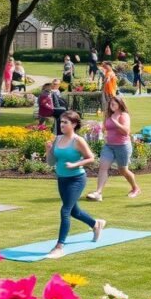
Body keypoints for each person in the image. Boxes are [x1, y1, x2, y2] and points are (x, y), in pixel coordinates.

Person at [44, 110, 106, 259]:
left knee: (65, 211)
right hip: (62, 179)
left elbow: (91, 158)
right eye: (61, 122)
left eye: (65, 122)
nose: (62, 124)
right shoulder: (57, 139)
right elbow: (51, 162)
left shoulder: (78, 140)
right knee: (74, 211)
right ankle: (95, 224)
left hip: (76, 179)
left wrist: (75, 164)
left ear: (74, 124)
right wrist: (48, 151)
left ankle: (59, 246)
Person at [86, 95, 140, 201]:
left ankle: (135, 188)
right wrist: (96, 126)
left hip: (123, 146)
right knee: (103, 167)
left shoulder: (124, 115)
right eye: (110, 104)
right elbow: (105, 128)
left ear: (120, 104)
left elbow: (126, 132)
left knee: (123, 170)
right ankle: (98, 193)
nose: (111, 106)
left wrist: (115, 122)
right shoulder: (109, 115)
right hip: (109, 146)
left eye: (113, 104)